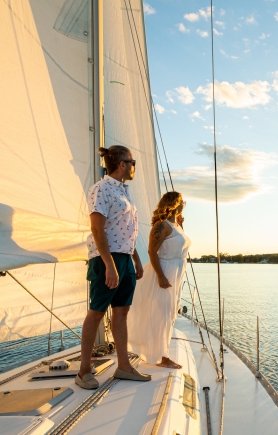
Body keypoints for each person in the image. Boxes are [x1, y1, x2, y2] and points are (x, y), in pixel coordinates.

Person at [76, 145, 150, 390]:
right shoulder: (101, 189)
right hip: (106, 259)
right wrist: (109, 265)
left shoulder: (124, 192)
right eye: (132, 162)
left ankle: (123, 366)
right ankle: (84, 370)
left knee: (122, 312)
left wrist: (136, 259)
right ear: (122, 164)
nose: (134, 166)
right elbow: (97, 229)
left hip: (125, 258)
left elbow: (126, 229)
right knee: (96, 311)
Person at [128, 191, 191, 368]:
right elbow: (151, 251)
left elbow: (180, 247)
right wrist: (161, 276)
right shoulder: (161, 226)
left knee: (170, 314)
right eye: (182, 201)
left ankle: (161, 353)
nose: (184, 204)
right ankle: (161, 357)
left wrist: (180, 225)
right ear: (175, 203)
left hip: (176, 273)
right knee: (161, 315)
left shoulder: (175, 225)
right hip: (165, 271)